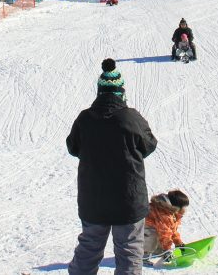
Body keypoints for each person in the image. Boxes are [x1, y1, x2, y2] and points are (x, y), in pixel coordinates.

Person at [66, 58, 157, 275]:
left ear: (99, 92)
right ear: (121, 92)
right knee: (129, 250)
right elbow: (149, 145)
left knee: (89, 248)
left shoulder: (85, 118)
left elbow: (73, 147)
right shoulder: (131, 118)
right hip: (128, 199)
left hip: (93, 199)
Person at [144, 190, 190, 257]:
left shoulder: (172, 213)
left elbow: (172, 230)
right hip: (140, 229)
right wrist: (167, 249)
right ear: (177, 206)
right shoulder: (164, 213)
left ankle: (158, 251)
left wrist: (178, 242)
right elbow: (165, 233)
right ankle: (144, 254)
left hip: (153, 227)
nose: (184, 209)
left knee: (161, 235)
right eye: (183, 207)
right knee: (154, 234)